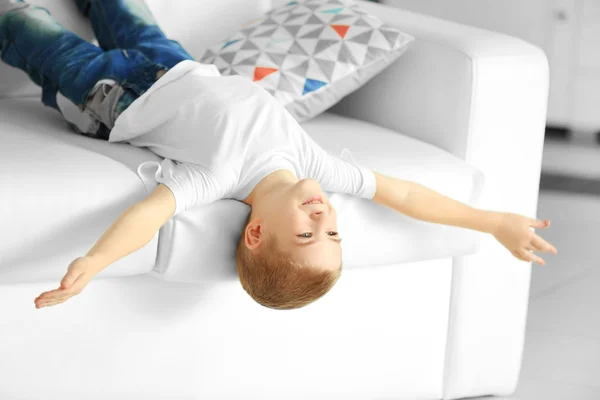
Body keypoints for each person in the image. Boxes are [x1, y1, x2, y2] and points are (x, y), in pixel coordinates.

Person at [0, 0, 557, 311]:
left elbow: (147, 217)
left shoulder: (217, 177)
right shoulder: (316, 169)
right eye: (333, 235)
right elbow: (406, 194)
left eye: (307, 235)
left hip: (112, 96)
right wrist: (492, 221)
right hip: (177, 64)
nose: (325, 219)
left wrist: (94, 263)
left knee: (27, 30)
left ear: (256, 234)